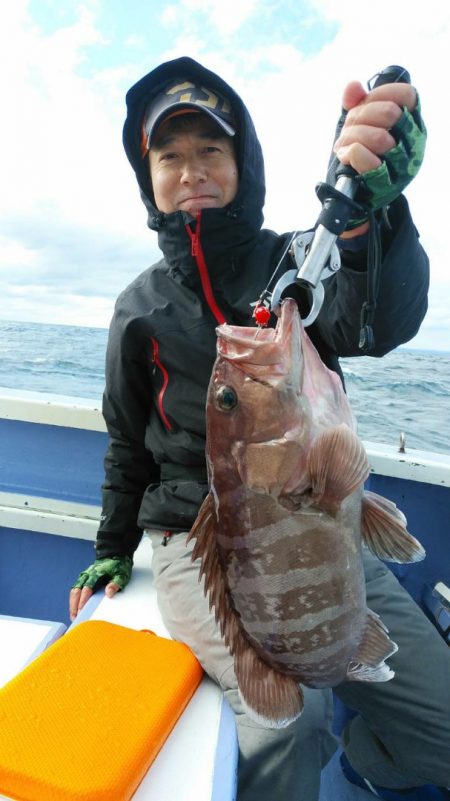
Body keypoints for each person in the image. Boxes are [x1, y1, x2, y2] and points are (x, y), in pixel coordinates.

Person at [69, 56, 450, 801]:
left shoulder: (296, 259)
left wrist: (375, 217)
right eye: (169, 156)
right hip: (192, 543)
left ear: (244, 163)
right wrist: (111, 551)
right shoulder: (137, 309)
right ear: (148, 177)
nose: (192, 170)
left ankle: (373, 756)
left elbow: (379, 318)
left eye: (212, 149)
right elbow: (126, 444)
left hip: (319, 525)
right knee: (286, 721)